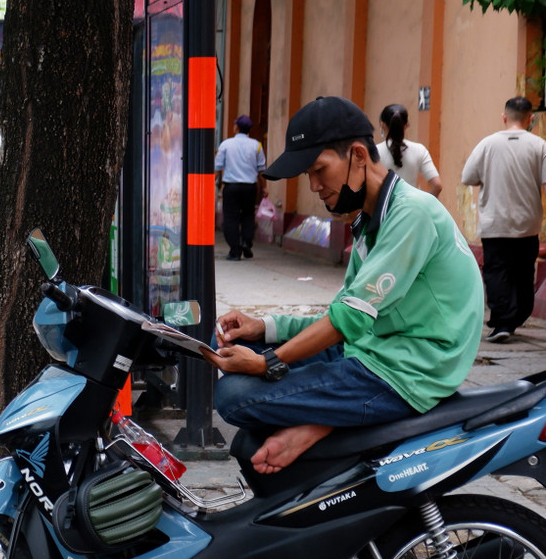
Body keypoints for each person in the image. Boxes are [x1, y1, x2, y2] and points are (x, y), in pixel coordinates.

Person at [207, 96, 483, 475]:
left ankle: (321, 425)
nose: (315, 185)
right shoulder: (371, 220)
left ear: (357, 155)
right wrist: (264, 327)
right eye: (308, 175)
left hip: (406, 372)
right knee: (228, 344)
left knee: (233, 396)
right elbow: (342, 315)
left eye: (319, 169)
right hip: (368, 351)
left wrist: (267, 362)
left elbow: (345, 321)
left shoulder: (412, 214)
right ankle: (327, 419)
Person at [462, 96, 546, 343]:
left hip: (494, 223)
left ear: (504, 117)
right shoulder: (539, 146)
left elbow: (468, 176)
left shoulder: (487, 144)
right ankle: (516, 316)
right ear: (531, 118)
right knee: (523, 271)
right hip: (527, 225)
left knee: (497, 271)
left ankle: (501, 322)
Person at [214, 115, 267, 260]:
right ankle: (246, 241)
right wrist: (264, 188)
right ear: (249, 129)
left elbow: (217, 167)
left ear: (236, 128)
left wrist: (212, 182)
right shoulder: (257, 145)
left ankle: (235, 251)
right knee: (248, 215)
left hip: (231, 187)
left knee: (231, 218)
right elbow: (261, 169)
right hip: (250, 187)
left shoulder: (225, 144)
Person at [376, 103, 442, 198]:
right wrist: (422, 205)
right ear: (406, 125)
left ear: (382, 125)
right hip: (410, 209)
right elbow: (437, 185)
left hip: (384, 210)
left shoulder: (374, 151)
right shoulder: (420, 150)